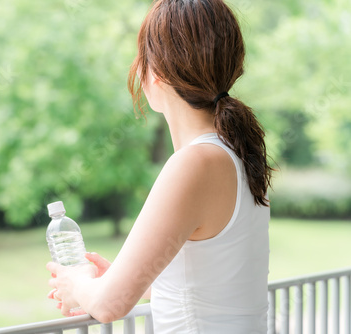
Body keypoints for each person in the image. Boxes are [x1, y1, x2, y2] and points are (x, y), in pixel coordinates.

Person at [46, 0, 273, 332]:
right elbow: (214, 283)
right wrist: (121, 279)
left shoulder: (195, 164)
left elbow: (110, 306)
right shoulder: (237, 152)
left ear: (157, 72)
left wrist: (76, 281)